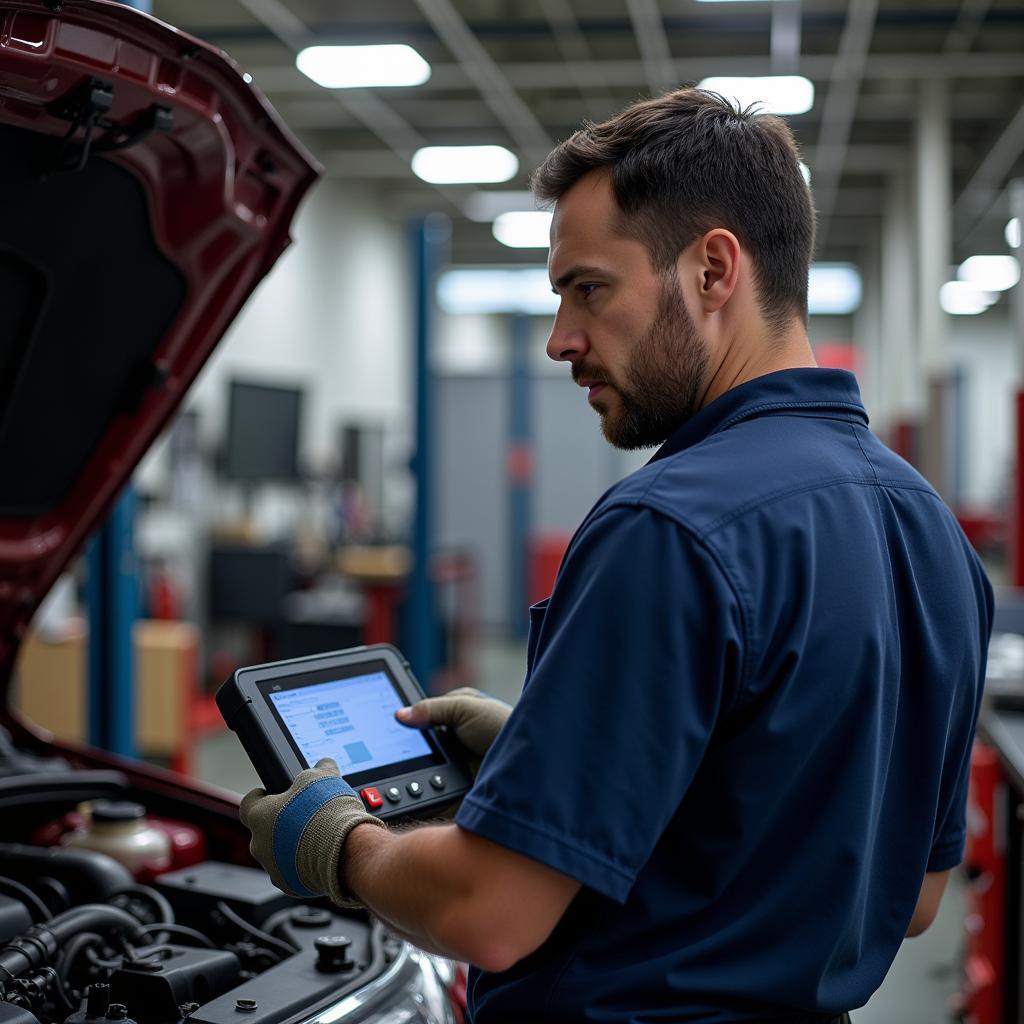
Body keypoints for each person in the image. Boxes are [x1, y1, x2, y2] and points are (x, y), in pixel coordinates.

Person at [240, 88, 993, 1023]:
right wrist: (545, 752)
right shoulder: (931, 533)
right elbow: (910, 896)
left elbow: (492, 913)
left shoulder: (670, 526)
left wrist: (336, 844)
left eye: (588, 288)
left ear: (714, 269)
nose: (562, 341)